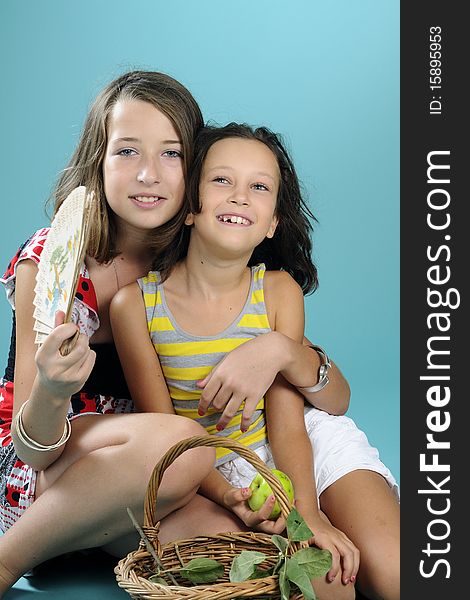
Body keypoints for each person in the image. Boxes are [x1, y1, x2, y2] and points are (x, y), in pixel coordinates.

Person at [0, 70, 393, 598]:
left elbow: (311, 392)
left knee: (284, 570)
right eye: (127, 152)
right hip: (62, 456)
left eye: (171, 154)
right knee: (180, 442)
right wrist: (51, 388)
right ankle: (10, 559)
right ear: (98, 161)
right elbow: (35, 451)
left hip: (182, 473)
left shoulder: (201, 249)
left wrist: (276, 352)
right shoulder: (57, 263)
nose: (148, 175)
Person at [110, 123, 400, 600]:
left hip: (302, 448)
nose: (240, 197)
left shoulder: (279, 292)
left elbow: (287, 423)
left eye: (259, 187)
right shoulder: (135, 307)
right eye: (222, 181)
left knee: (394, 578)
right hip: (219, 470)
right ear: (188, 209)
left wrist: (307, 513)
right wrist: (231, 497)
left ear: (271, 224)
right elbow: (164, 432)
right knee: (329, 587)